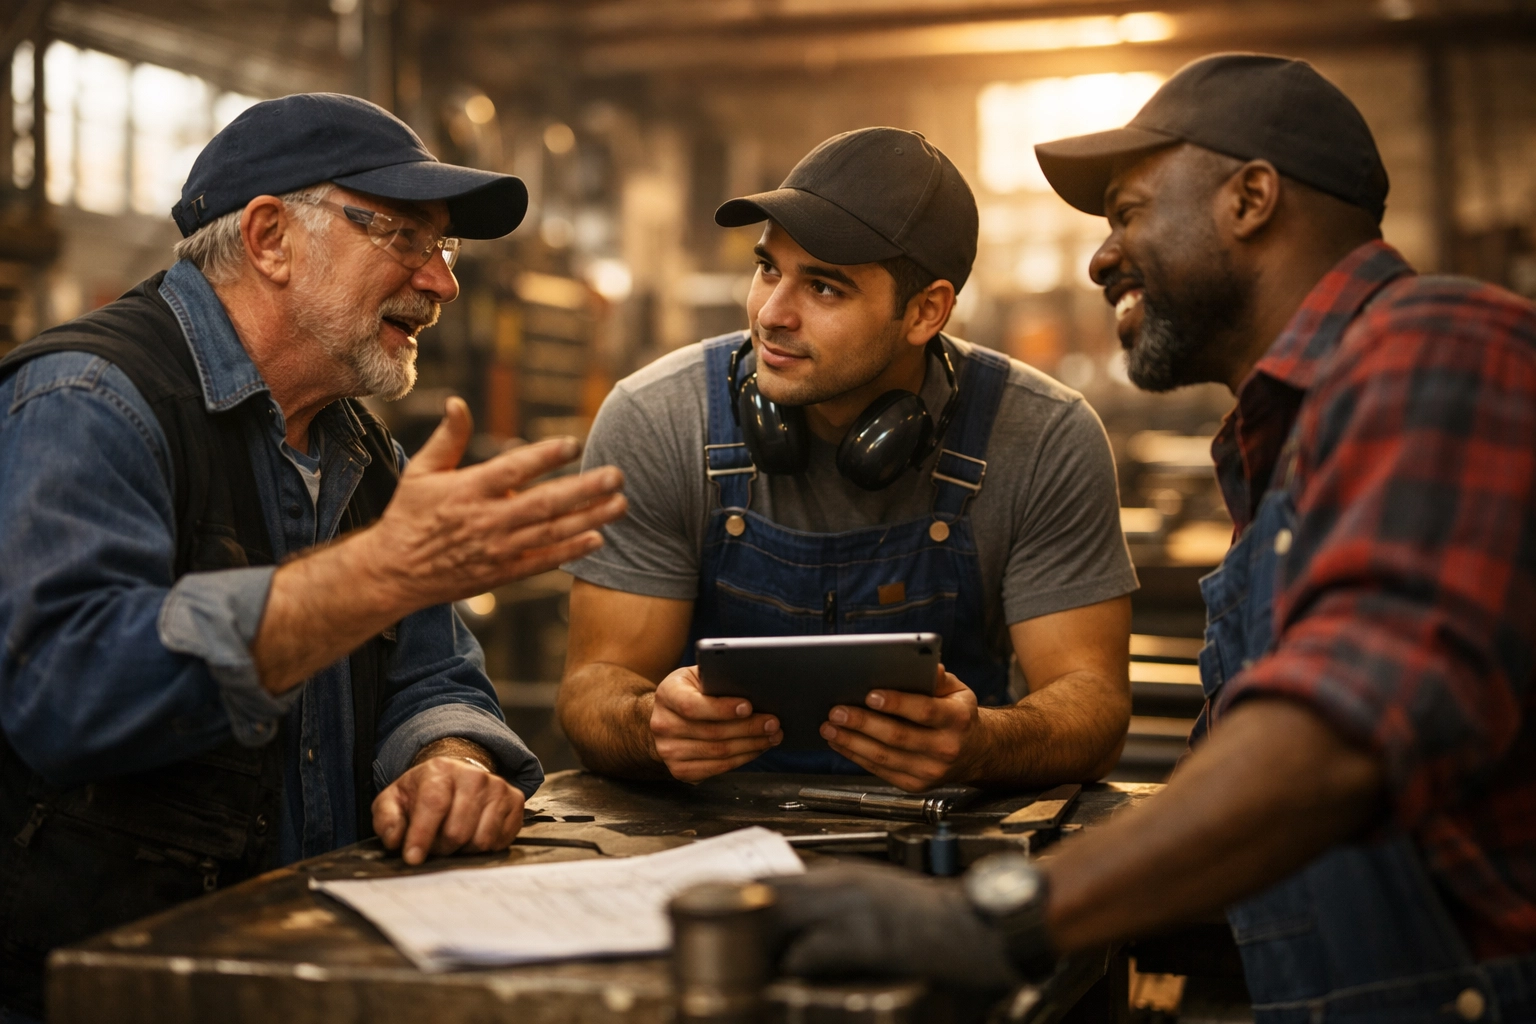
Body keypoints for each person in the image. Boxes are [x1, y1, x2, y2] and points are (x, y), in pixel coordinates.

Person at [762, 54, 1536, 1022]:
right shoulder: (1291, 446)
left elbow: (1335, 740)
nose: (1100, 255)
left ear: (1250, 197)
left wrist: (993, 915)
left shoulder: (1442, 347)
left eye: (1128, 211)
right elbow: (1246, 843)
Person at [0, 93, 627, 1016]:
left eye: (443, 249)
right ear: (269, 237)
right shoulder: (88, 400)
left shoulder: (362, 453)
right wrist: (377, 575)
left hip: (298, 972)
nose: (443, 283)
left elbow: (432, 677)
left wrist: (448, 760)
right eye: (407, 238)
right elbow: (72, 690)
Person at [557, 127, 1138, 792]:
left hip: (937, 842)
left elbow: (1092, 704)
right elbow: (588, 693)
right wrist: (649, 725)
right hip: (707, 846)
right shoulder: (658, 419)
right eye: (768, 268)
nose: (773, 313)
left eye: (824, 288)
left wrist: (984, 746)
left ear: (926, 312)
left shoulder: (1043, 438)